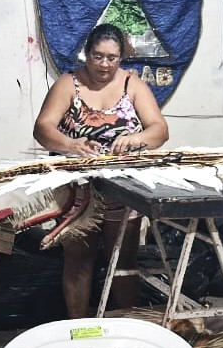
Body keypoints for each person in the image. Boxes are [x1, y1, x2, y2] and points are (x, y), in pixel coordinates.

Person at [33, 23, 170, 319]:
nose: (104, 64)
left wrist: (136, 139)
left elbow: (159, 131)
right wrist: (71, 144)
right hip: (76, 187)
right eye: (98, 56)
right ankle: (80, 328)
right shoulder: (68, 84)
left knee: (123, 260)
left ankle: (125, 328)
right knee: (78, 258)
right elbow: (42, 128)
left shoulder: (132, 84)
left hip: (122, 186)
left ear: (121, 58)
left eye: (112, 58)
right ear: (87, 54)